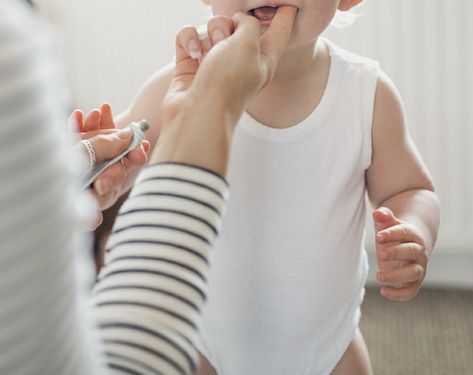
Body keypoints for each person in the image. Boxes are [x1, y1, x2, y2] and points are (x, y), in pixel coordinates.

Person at [82, 0, 441, 374]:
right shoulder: (180, 88)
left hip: (328, 350)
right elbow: (124, 156)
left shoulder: (367, 93)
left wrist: (412, 229)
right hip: (203, 344)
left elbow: (411, 188)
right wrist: (103, 168)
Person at [0, 1, 296, 374]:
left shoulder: (365, 89)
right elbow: (139, 149)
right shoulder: (176, 81)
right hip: (206, 331)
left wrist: (65, 171)